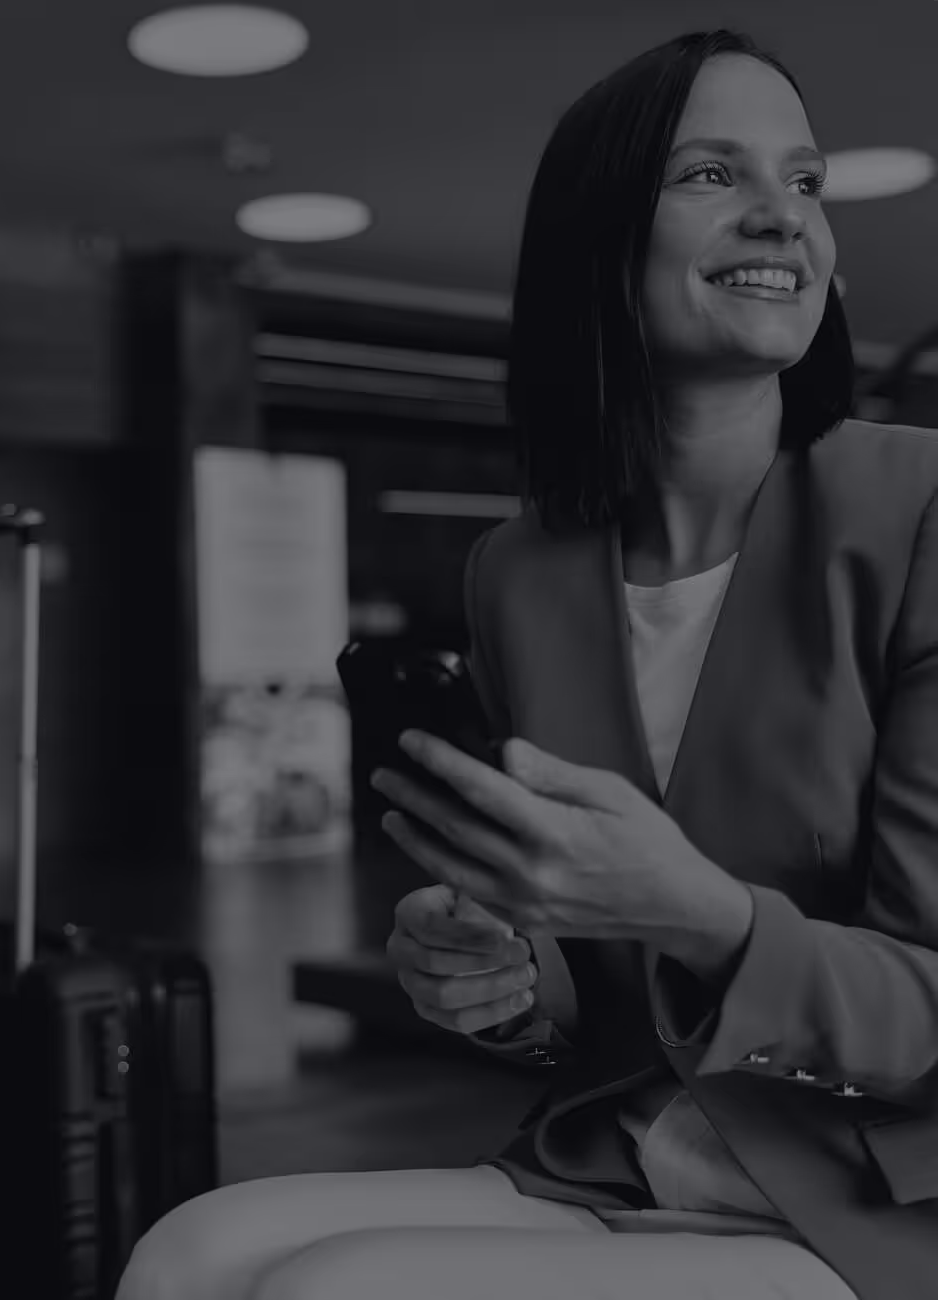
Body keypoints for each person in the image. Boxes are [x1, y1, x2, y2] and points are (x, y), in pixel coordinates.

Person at [115, 27, 938, 1300]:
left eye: (808, 182)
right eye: (713, 175)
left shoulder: (919, 508)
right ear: (598, 247)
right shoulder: (521, 570)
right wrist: (506, 985)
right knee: (184, 1252)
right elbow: (594, 995)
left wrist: (699, 912)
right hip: (623, 1149)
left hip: (873, 1193)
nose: (783, 213)